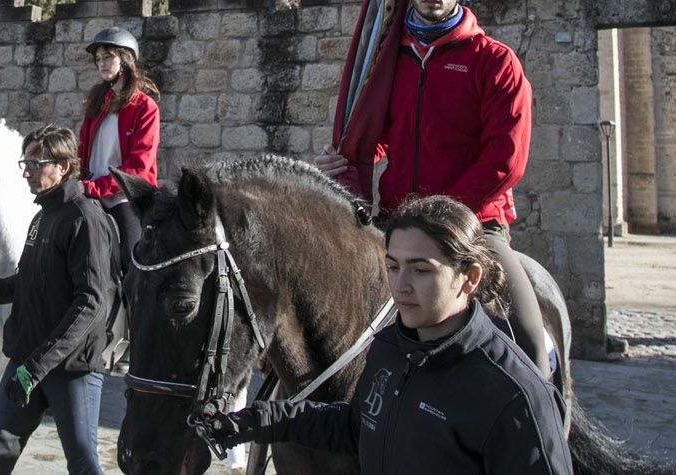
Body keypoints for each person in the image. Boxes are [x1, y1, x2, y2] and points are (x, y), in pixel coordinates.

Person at [315, 0, 551, 378]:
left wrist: (445, 214)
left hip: (475, 225)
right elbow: (381, 135)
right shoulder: (386, 61)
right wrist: (346, 160)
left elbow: (505, 159)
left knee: (527, 338)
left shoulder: (494, 62)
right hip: (398, 219)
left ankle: (546, 425)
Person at [205, 195, 570, 474]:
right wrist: (254, 420)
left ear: (470, 278)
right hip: (408, 198)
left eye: (421, 270)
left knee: (533, 341)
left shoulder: (515, 398)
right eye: (393, 267)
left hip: (481, 212)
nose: (400, 286)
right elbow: (357, 425)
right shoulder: (389, 349)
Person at [0, 125, 117, 475]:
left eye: (36, 162)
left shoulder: (85, 219)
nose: (26, 171)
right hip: (25, 362)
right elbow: (26, 283)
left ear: (63, 167)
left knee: (83, 462)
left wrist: (37, 367)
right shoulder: (42, 217)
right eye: (26, 161)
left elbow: (91, 303)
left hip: (70, 370)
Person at [76, 26, 159, 264]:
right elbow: (82, 151)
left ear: (126, 59)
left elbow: (139, 169)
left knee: (132, 261)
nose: (102, 63)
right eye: (98, 59)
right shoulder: (96, 103)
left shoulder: (145, 107)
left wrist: (94, 188)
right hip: (89, 191)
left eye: (108, 56)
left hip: (125, 196)